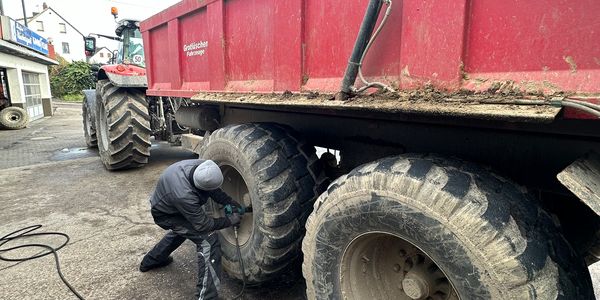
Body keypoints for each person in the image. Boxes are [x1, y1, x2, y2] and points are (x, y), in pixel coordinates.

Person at [140, 159, 241, 300]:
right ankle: (207, 297)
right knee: (208, 240)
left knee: (183, 231)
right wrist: (230, 220)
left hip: (170, 203)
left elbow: (213, 190)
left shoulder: (203, 166)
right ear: (200, 187)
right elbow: (203, 225)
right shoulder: (184, 195)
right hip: (166, 215)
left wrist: (228, 202)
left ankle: (151, 261)